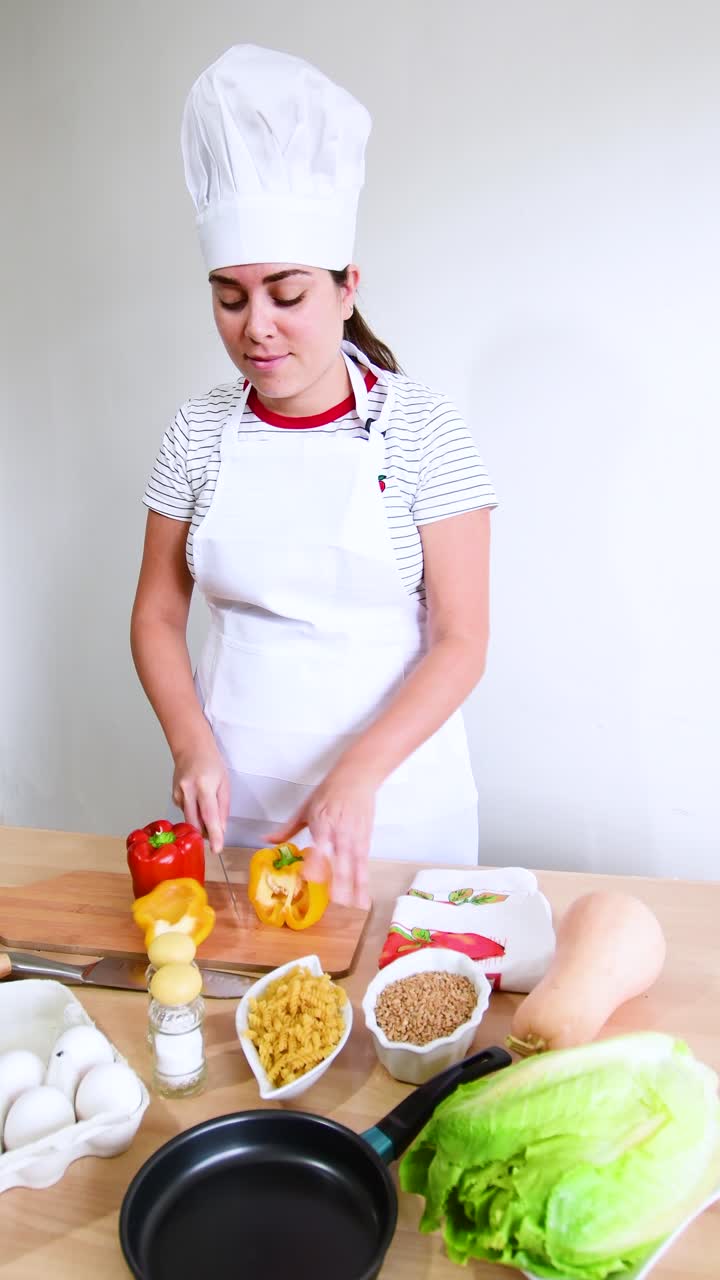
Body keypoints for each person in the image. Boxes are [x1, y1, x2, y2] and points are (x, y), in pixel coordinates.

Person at [131, 44, 497, 909]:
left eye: (286, 295)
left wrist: (358, 776)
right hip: (237, 811)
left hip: (394, 809)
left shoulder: (425, 429)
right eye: (229, 296)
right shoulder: (196, 431)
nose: (256, 329)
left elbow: (462, 640)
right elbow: (155, 612)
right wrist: (190, 746)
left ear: (345, 288)